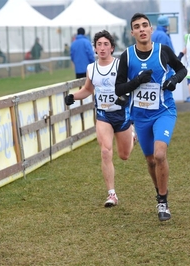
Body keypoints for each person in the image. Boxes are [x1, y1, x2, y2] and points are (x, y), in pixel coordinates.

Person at [115, 13, 187, 221]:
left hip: (164, 111)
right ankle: (159, 193)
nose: (142, 29)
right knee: (149, 160)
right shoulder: (127, 56)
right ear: (132, 32)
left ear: (151, 29)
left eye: (145, 25)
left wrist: (174, 80)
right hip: (140, 115)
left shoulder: (163, 51)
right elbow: (119, 88)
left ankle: (163, 202)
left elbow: (181, 69)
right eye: (137, 26)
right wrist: (136, 81)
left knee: (160, 154)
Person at [64, 30, 135, 207]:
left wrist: (124, 96)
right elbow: (88, 89)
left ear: (112, 47)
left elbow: (130, 87)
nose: (102, 48)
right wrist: (73, 96)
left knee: (124, 155)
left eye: (105, 44)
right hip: (103, 115)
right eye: (99, 45)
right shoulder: (91, 68)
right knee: (105, 151)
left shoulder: (120, 65)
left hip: (121, 114)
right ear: (94, 48)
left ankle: (132, 136)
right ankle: (112, 194)